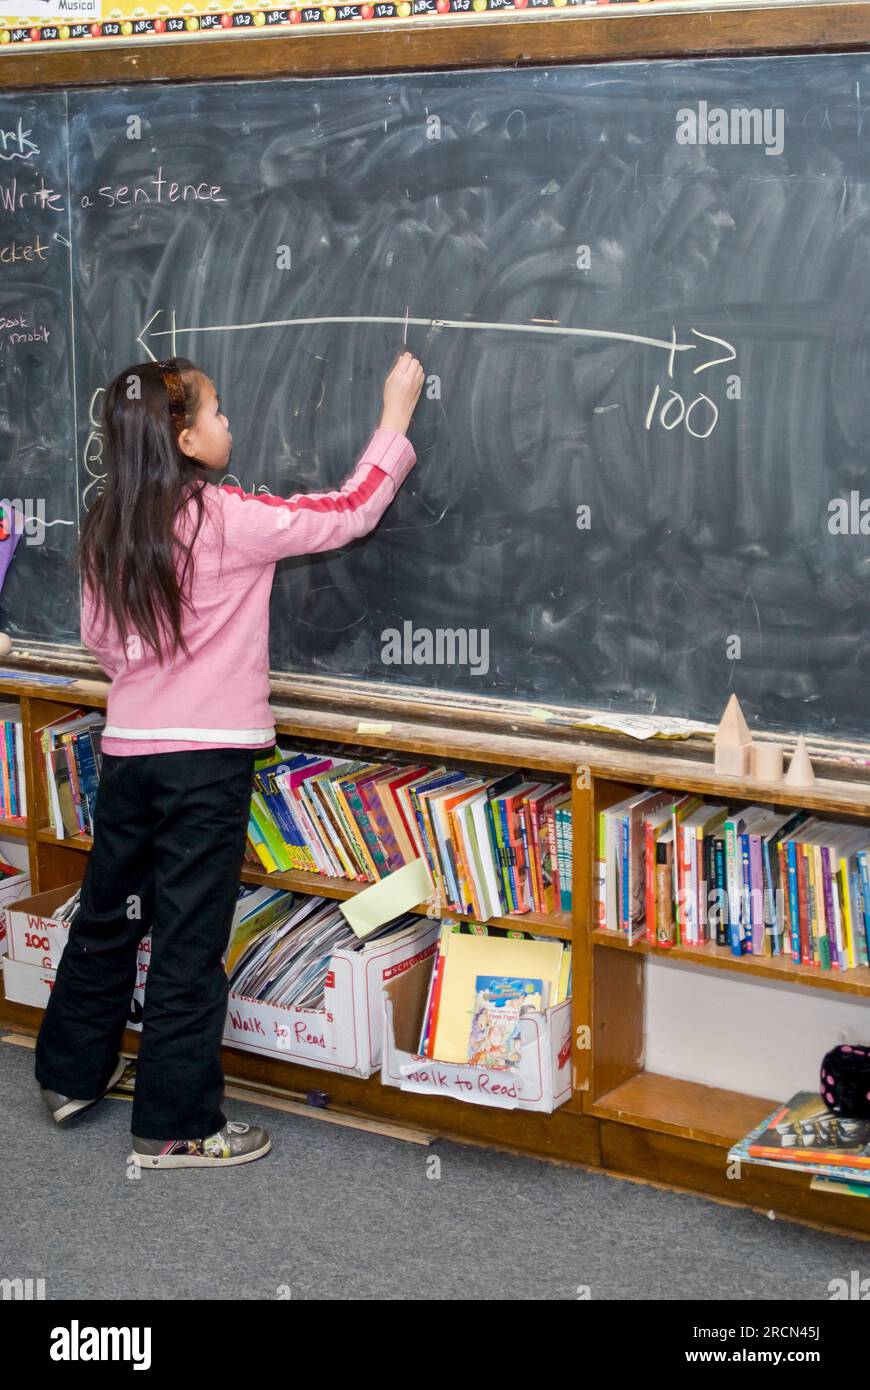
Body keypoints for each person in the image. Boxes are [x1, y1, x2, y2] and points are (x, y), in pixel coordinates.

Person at [34, 350, 424, 1170]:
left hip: (131, 753)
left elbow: (103, 644)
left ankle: (70, 1076)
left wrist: (154, 683)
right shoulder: (228, 515)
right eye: (216, 414)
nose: (230, 426)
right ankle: (176, 1123)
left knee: (108, 917)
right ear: (181, 435)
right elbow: (345, 514)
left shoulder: (108, 522)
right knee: (186, 938)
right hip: (207, 763)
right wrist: (394, 421)